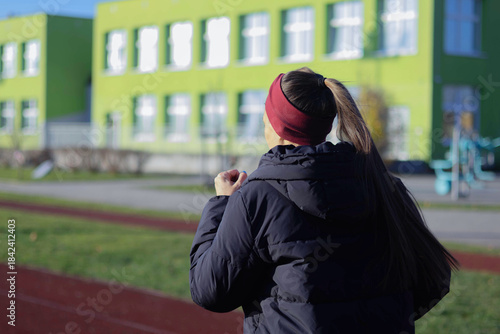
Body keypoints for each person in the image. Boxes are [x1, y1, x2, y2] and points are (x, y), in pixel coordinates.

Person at [189, 67, 458, 333]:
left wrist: (222, 203)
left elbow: (210, 291)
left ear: (276, 125)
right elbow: (431, 280)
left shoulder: (256, 198)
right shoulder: (383, 184)